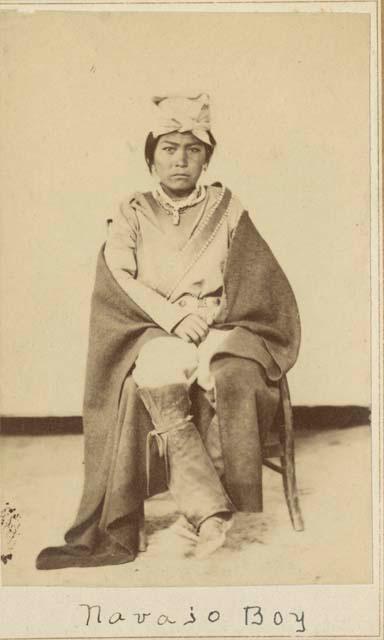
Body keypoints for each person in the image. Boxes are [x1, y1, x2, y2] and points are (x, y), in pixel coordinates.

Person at [36, 94, 300, 570]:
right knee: (156, 369)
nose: (180, 159)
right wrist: (175, 317)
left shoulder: (228, 207)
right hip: (160, 326)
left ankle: (203, 509)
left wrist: (215, 317)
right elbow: (120, 278)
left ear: (207, 158)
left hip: (221, 323)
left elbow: (257, 281)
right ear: (152, 155)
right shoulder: (131, 211)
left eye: (192, 150)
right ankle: (206, 510)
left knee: (228, 370)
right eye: (169, 148)